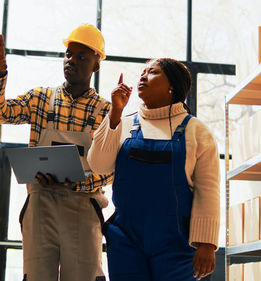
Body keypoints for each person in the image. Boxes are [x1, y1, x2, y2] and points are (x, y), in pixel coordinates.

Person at [0, 25, 112, 281]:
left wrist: (80, 183)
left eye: (81, 57)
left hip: (83, 206)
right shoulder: (41, 99)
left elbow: (111, 170)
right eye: (68, 55)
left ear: (96, 65)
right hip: (41, 203)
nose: (71, 61)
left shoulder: (106, 112)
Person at [88, 58, 220, 281]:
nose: (143, 76)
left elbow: (208, 190)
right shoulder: (125, 123)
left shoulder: (196, 131)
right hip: (126, 241)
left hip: (176, 243)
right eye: (142, 72)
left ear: (172, 86)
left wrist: (207, 243)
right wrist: (115, 115)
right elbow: (98, 165)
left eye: (153, 72)